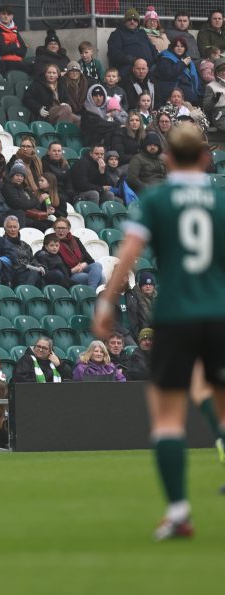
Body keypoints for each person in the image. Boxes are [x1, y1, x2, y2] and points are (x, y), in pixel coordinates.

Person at [92, 123, 225, 537]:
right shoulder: (221, 200)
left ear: (167, 159)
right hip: (218, 314)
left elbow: (129, 254)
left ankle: (179, 513)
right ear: (206, 158)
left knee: (168, 418)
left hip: (174, 316)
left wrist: (107, 303)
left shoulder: (157, 199)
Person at [52, 217, 103, 288]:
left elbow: (90, 259)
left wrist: (83, 265)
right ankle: (93, 291)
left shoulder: (75, 240)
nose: (60, 230)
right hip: (70, 274)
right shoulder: (52, 244)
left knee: (97, 265)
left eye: (63, 228)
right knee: (99, 277)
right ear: (54, 229)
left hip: (82, 268)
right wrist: (73, 270)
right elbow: (56, 268)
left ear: (68, 229)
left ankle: (92, 291)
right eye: (58, 228)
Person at [107, 8, 157, 72]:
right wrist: (134, 60)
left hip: (149, 66)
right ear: (125, 21)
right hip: (130, 67)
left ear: (138, 22)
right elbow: (114, 53)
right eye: (129, 19)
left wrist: (159, 58)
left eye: (135, 20)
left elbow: (152, 48)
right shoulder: (117, 34)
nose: (132, 21)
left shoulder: (142, 32)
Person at [0, 5, 28, 72]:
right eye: (3, 14)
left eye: (9, 14)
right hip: (4, 61)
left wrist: (11, 48)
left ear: (12, 16)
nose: (6, 16)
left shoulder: (14, 29)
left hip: (18, 60)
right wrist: (16, 45)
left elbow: (23, 50)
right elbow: (2, 49)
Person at [125, 272, 157, 340]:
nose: (148, 286)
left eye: (150, 284)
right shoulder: (134, 298)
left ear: (154, 286)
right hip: (141, 335)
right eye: (145, 284)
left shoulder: (157, 298)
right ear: (140, 286)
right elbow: (137, 322)